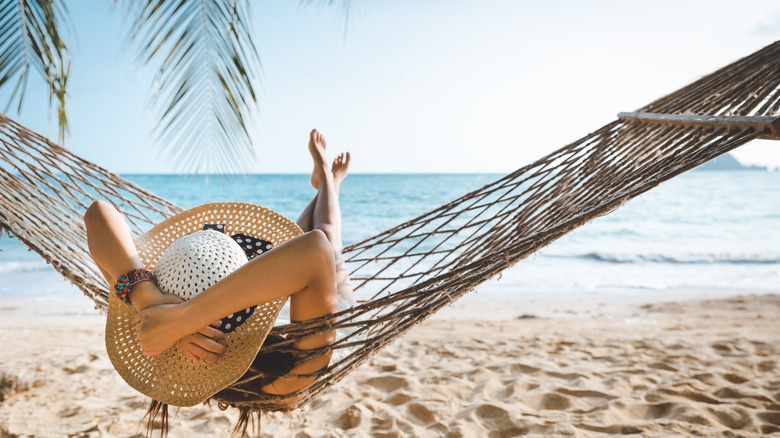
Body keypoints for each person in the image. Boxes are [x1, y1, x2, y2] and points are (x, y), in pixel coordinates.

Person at [84, 129, 353, 397]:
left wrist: (150, 301)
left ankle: (327, 181)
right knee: (329, 234)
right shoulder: (287, 375)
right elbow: (317, 249)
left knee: (301, 237)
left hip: (272, 283)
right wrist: (180, 320)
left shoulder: (149, 325)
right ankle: (330, 180)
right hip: (321, 305)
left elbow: (97, 214)